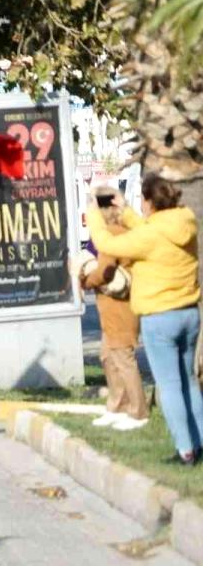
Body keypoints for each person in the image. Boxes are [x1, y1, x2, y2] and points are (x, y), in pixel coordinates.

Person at [88, 174, 200, 464]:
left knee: (171, 385)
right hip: (188, 312)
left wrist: (92, 209)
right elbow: (150, 230)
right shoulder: (185, 221)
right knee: (189, 382)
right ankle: (200, 441)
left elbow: (107, 244)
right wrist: (125, 210)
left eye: (142, 200)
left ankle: (185, 450)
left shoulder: (149, 236)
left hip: (159, 317)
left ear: (149, 202)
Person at [74, 187, 148, 432]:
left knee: (123, 358)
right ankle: (117, 406)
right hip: (116, 306)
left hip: (119, 306)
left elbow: (104, 270)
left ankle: (138, 412)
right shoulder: (127, 231)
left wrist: (85, 280)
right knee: (108, 356)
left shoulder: (112, 235)